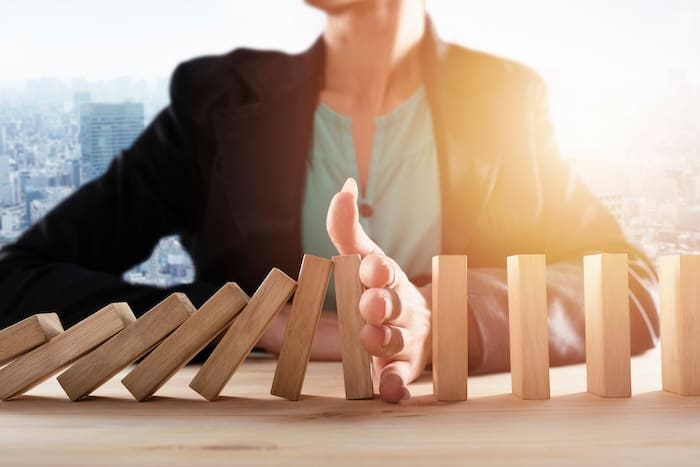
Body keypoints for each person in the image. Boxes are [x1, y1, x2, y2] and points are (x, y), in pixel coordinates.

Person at [0, 0, 659, 403]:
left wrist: (441, 319)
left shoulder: (503, 101)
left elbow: (629, 287)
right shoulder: (217, 99)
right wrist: (252, 324)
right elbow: (16, 280)